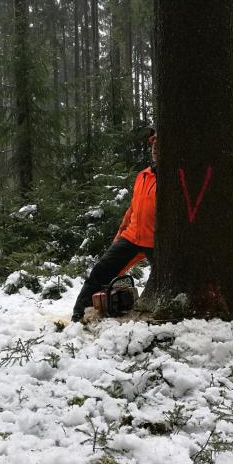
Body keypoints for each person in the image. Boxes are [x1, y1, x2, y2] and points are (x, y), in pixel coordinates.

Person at [71, 131, 157, 322]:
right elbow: (133, 209)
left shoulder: (172, 179)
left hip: (156, 241)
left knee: (163, 279)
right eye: (154, 143)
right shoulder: (143, 176)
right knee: (102, 270)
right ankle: (79, 313)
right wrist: (120, 235)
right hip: (132, 236)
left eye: (160, 143)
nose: (155, 148)